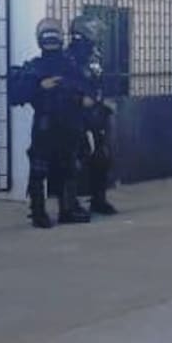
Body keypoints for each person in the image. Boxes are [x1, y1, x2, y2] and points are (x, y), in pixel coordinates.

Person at [7, 18, 91, 228]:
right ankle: (38, 211)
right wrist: (39, 86)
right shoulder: (35, 67)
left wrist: (81, 98)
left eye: (54, 37)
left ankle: (66, 209)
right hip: (47, 124)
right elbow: (16, 95)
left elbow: (85, 90)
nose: (52, 42)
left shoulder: (70, 66)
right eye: (49, 38)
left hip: (67, 124)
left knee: (68, 166)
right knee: (40, 167)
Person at [66, 16, 118, 216]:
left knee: (101, 157)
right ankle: (70, 204)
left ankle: (99, 200)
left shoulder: (94, 55)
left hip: (96, 113)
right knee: (74, 159)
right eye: (94, 30)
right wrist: (79, 99)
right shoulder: (70, 57)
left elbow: (98, 82)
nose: (98, 34)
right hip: (75, 114)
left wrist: (103, 101)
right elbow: (66, 86)